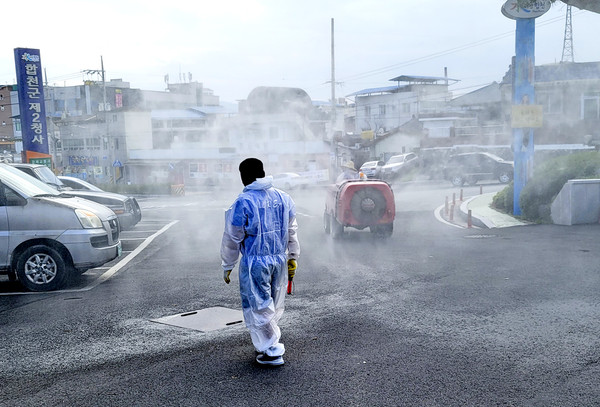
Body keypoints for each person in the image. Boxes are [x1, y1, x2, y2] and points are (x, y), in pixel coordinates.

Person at [220, 158, 300, 366]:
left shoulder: (243, 203)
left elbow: (232, 238)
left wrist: (228, 265)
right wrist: (293, 257)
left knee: (259, 305)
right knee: (272, 302)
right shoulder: (283, 198)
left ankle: (272, 350)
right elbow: (292, 231)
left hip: (256, 263)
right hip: (279, 261)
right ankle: (270, 343)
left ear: (244, 176)